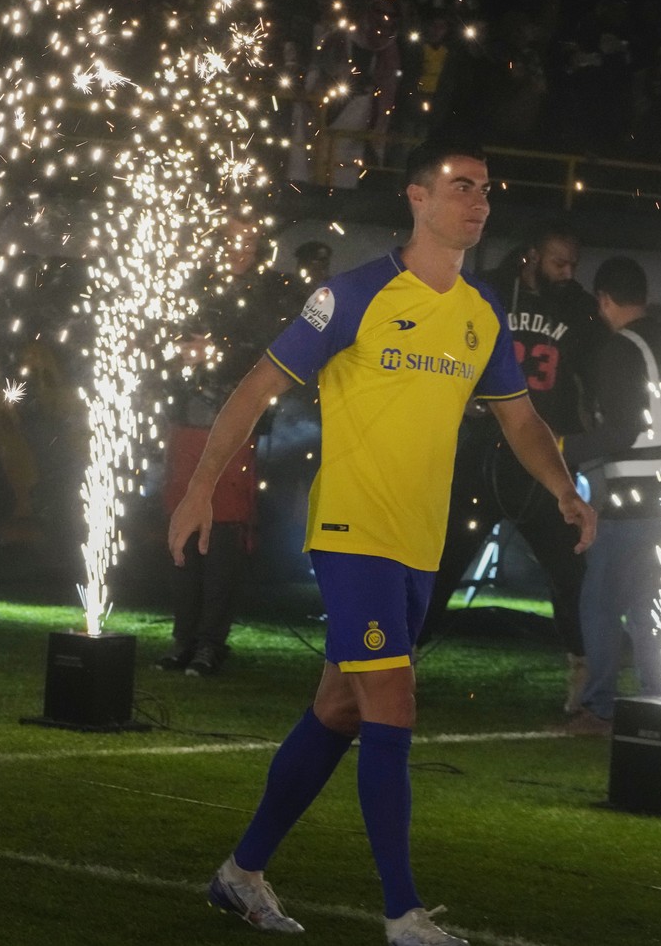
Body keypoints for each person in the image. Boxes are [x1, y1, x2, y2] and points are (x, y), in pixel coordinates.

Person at [166, 138, 595, 945]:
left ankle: (240, 874)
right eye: (462, 187)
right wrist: (199, 488)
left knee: (338, 707)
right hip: (352, 531)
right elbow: (258, 385)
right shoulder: (353, 295)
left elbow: (520, 419)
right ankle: (402, 915)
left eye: (486, 190)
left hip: (419, 544)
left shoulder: (480, 314)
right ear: (417, 198)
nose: (480, 202)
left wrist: (564, 488)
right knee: (392, 698)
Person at [419, 229, 605, 712]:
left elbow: (599, 370)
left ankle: (583, 673)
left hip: (541, 461)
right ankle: (400, 664)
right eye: (560, 262)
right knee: (440, 565)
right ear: (533, 255)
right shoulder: (487, 290)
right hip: (479, 454)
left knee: (569, 571)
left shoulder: (580, 309)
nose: (568, 273)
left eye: (573, 265)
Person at [159, 218, 301, 677]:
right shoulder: (195, 284)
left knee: (222, 537)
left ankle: (209, 642)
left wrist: (217, 348)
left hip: (235, 430)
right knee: (183, 532)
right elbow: (165, 338)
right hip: (187, 426)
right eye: (229, 237)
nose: (238, 247)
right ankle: (184, 638)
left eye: (247, 238)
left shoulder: (269, 294)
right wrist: (181, 351)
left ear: (260, 243)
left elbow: (272, 357)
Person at [559, 256, 661, 735]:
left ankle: (601, 707)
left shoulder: (620, 349)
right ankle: (659, 700)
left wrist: (556, 448)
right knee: (648, 608)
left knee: (599, 603)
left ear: (604, 300)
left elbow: (620, 431)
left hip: (632, 500)